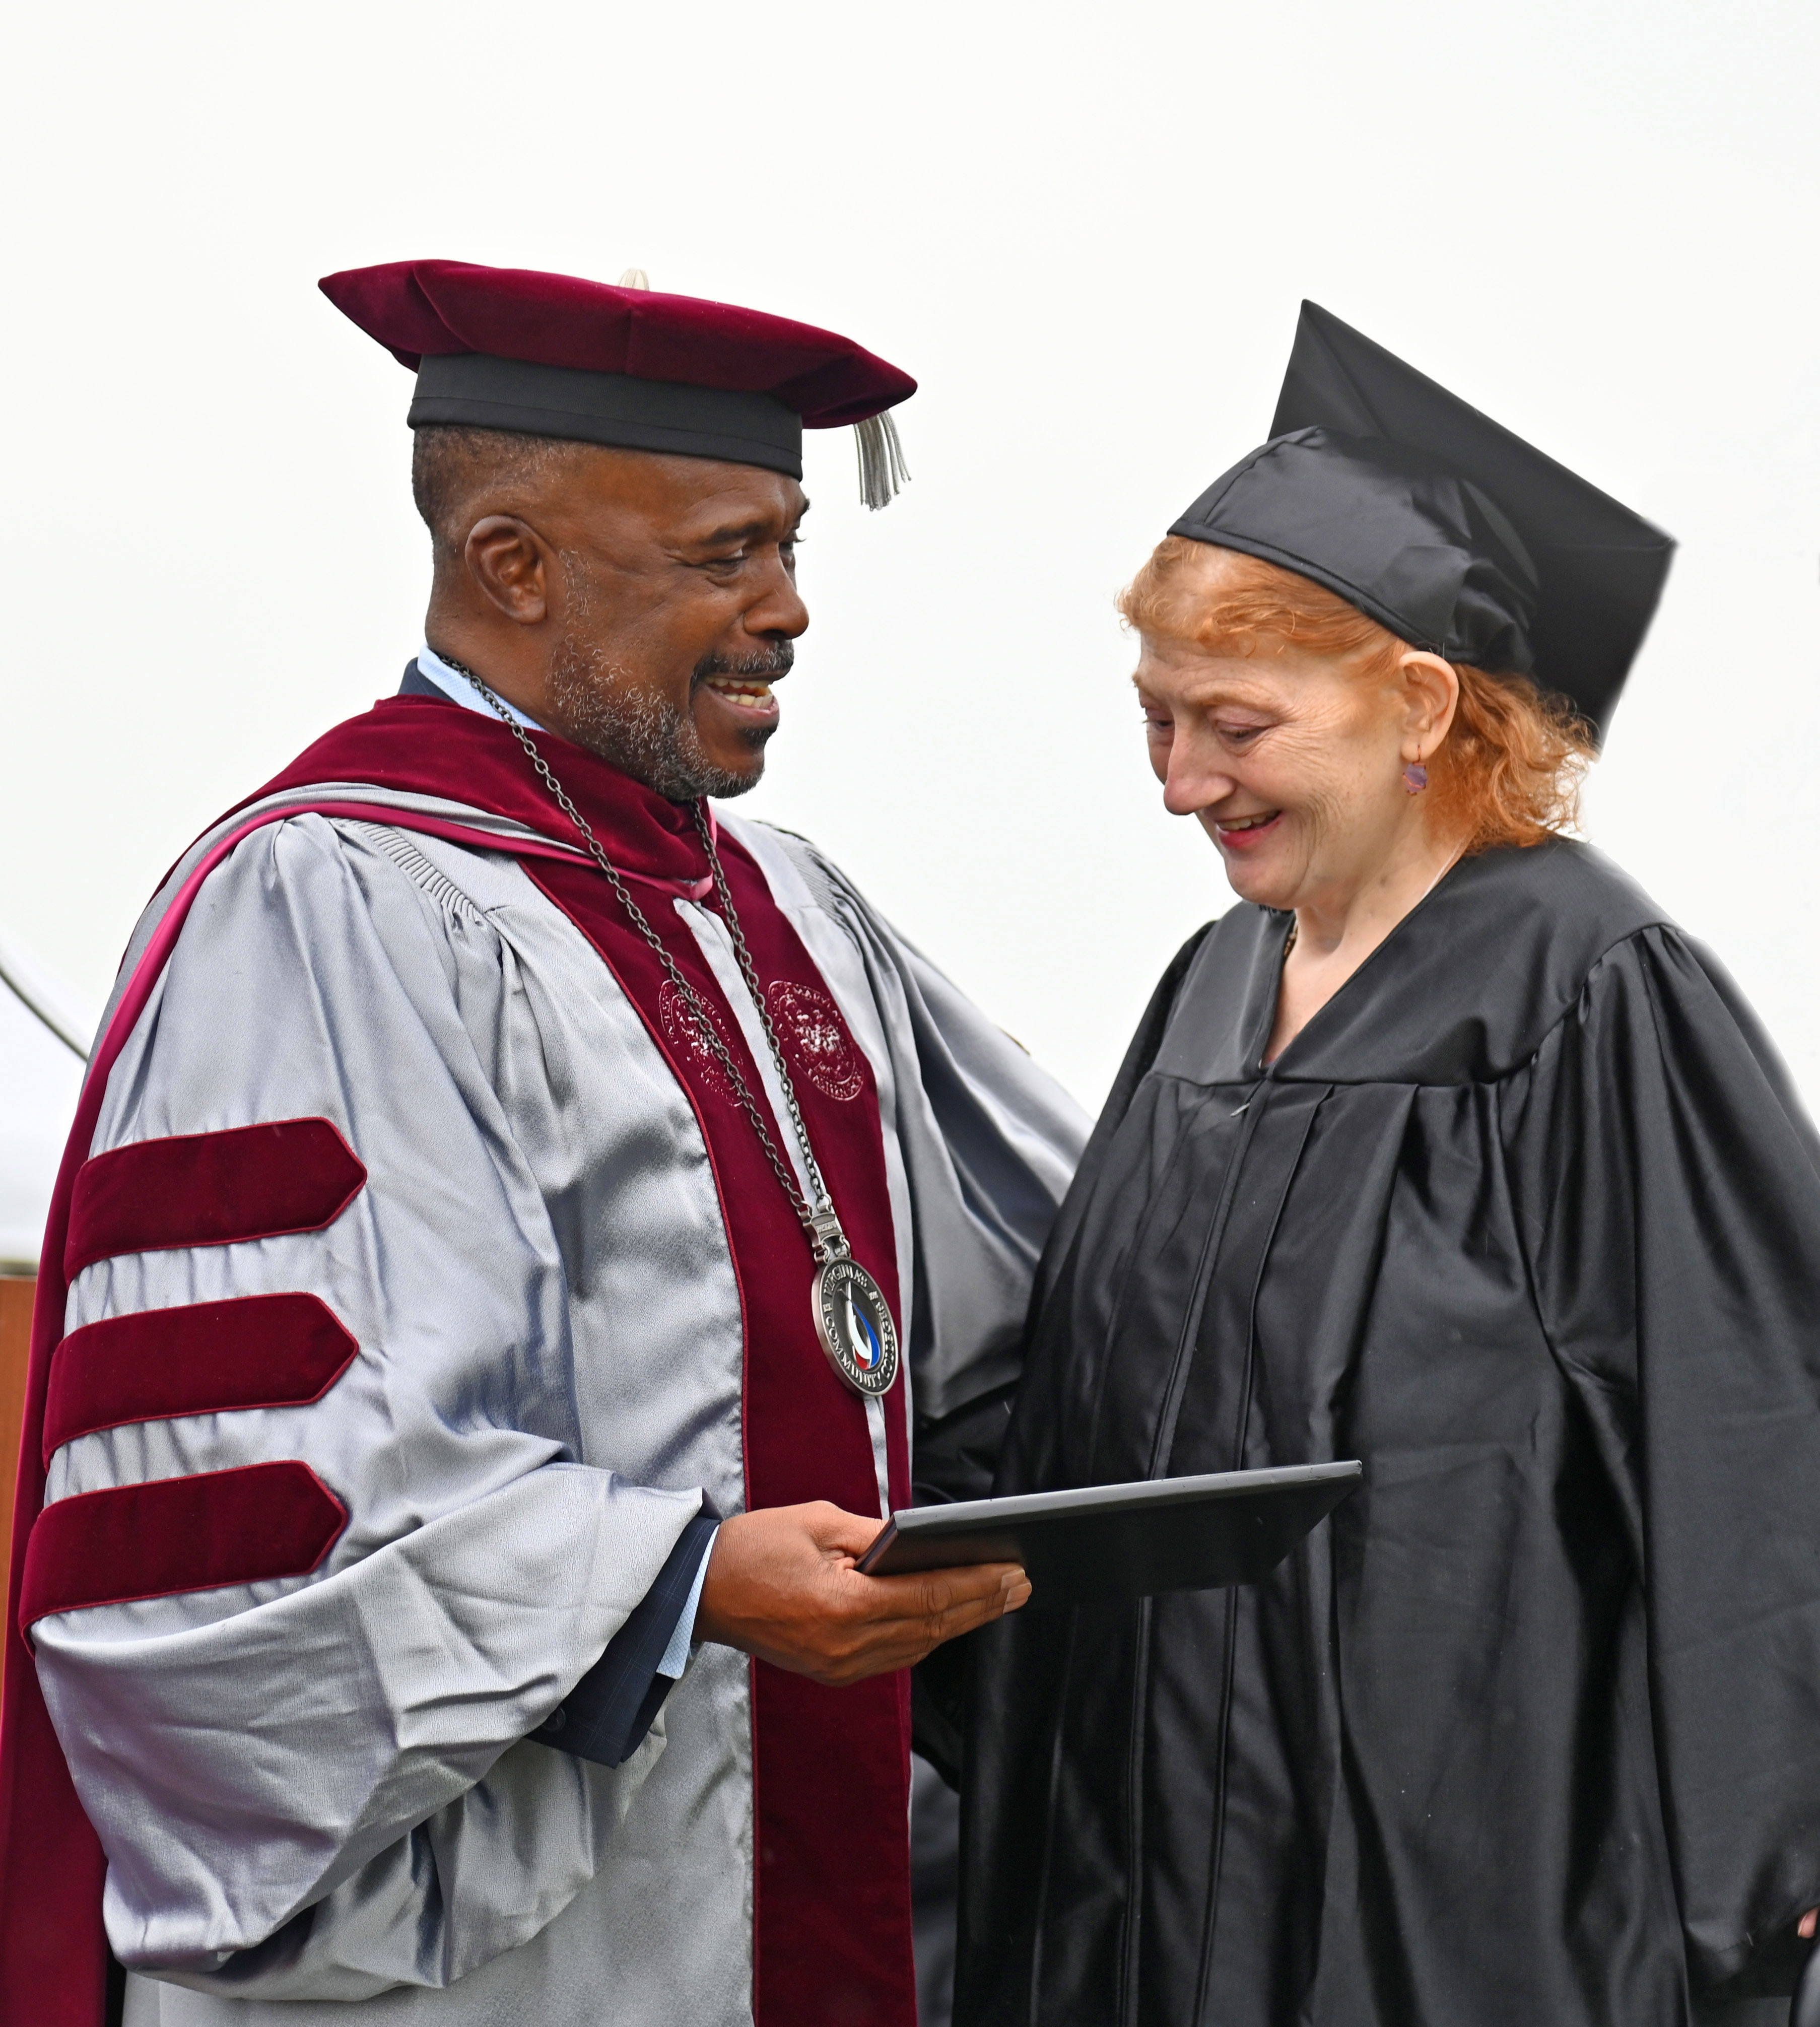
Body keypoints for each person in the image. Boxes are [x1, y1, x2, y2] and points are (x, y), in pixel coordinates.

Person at [0, 258, 1088, 2027]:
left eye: (796, 548)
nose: (792, 609)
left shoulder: (792, 910)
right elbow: (246, 1529)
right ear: (517, 566)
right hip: (512, 1963)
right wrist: (678, 1583)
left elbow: (1061, 1287)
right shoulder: (327, 900)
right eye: (727, 554)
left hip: (820, 1883)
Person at [956, 301, 1820, 2027]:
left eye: (1236, 725)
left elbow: (1756, 1447)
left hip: (1460, 1895)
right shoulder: (1211, 991)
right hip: (1134, 1883)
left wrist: (1765, 1879)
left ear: (1420, 703)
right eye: (1156, 722)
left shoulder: (1585, 993)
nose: (1182, 780)